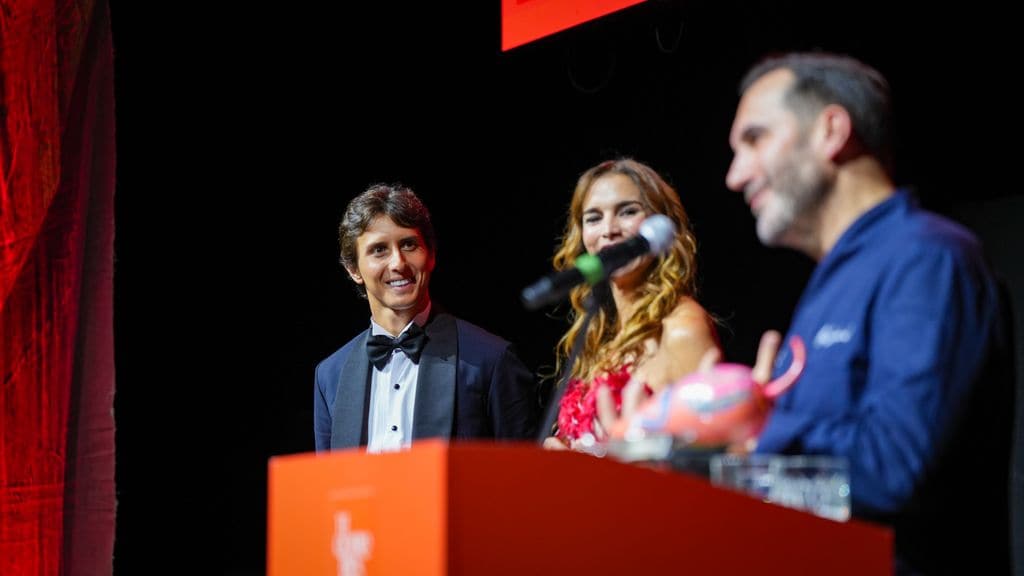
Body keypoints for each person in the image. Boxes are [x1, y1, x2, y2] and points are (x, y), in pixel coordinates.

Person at [713, 52, 1012, 574]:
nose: (735, 176)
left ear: (831, 131)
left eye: (755, 139)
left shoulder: (927, 259)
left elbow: (893, 473)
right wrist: (694, 460)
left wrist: (759, 428)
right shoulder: (832, 281)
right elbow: (817, 488)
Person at [314, 183, 539, 453]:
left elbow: (524, 473)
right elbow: (329, 478)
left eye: (409, 244)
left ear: (431, 254)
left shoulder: (492, 360)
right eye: (379, 250)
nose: (398, 263)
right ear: (354, 269)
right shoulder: (330, 375)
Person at [541, 158, 721, 450]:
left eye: (627, 212)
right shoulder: (601, 337)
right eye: (593, 218)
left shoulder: (682, 329)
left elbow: (712, 454)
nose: (609, 230)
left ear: (662, 225)